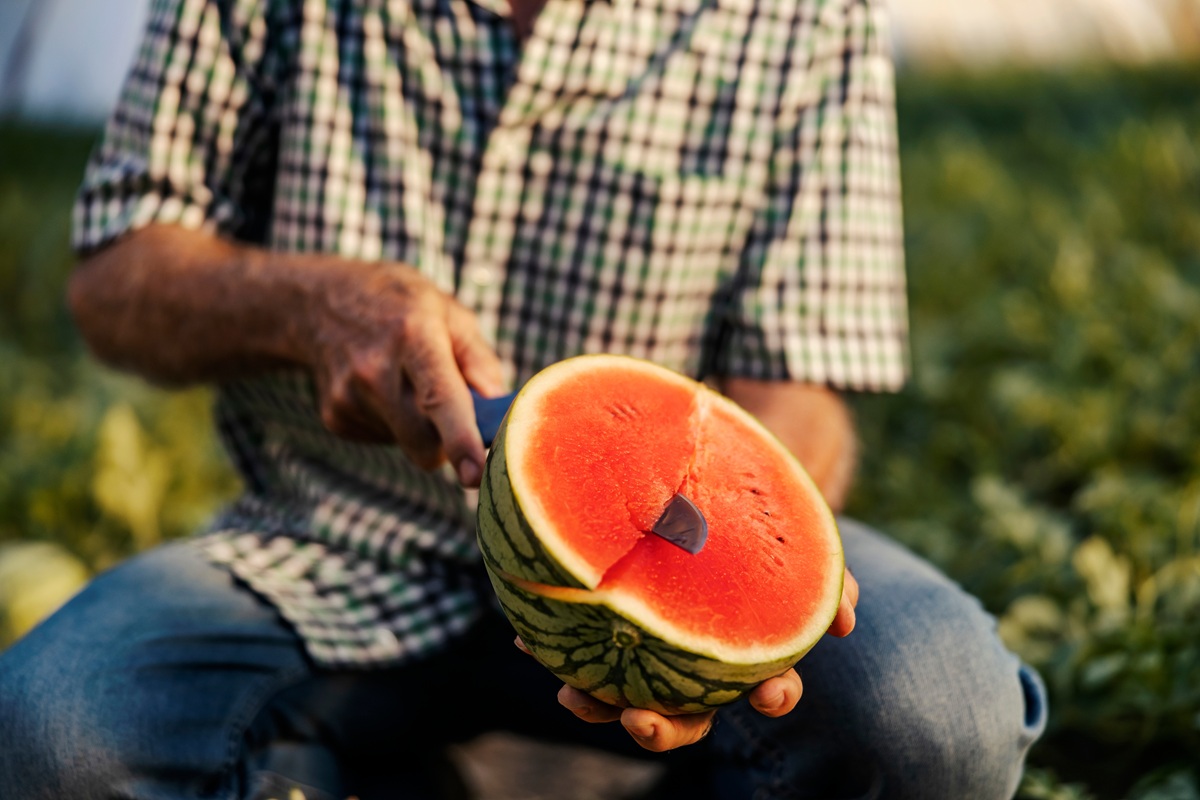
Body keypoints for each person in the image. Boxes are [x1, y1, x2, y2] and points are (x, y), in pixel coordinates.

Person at [0, 0, 1047, 796]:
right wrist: (312, 309)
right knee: (57, 734)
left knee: (937, 715)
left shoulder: (798, 17)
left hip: (637, 597)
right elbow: (115, 280)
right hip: (321, 550)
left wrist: (747, 587)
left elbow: (797, 395)